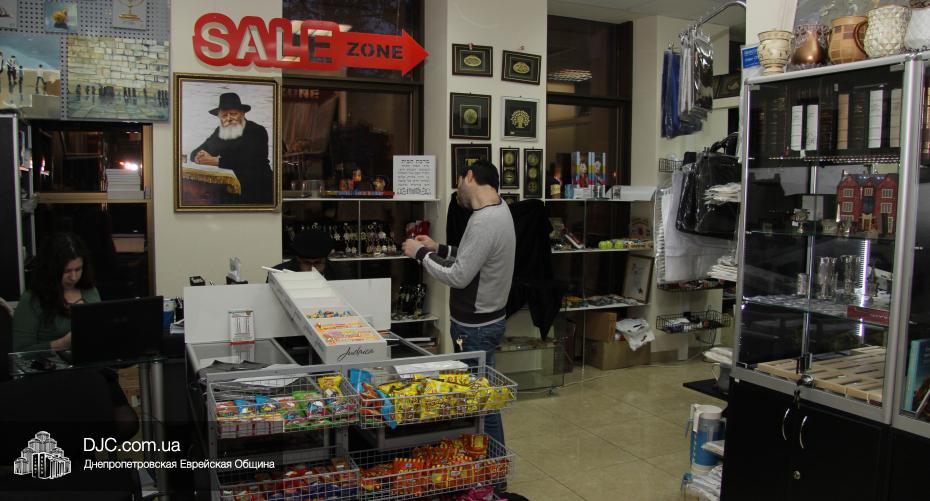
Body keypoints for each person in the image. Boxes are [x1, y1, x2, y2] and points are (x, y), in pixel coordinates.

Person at [402, 159, 515, 450]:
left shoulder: (484, 221)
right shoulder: (499, 209)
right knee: (481, 398)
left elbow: (459, 276)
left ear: (470, 177)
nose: (457, 190)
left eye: (459, 182)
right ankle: (487, 463)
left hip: (476, 328)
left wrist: (419, 255)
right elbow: (474, 256)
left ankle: (495, 469)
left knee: (482, 403)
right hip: (487, 321)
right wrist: (438, 248)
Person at [11, 232, 139, 439]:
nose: (73, 277)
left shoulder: (89, 292)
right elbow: (19, 353)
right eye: (67, 271)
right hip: (51, 378)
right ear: (52, 270)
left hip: (92, 372)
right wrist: (61, 343)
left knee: (126, 422)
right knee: (76, 423)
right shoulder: (32, 300)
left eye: (78, 269)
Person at [190, 92, 273, 205]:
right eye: (224, 115)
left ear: (242, 114)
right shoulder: (220, 132)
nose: (228, 118)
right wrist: (198, 157)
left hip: (258, 188)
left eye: (233, 114)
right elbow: (198, 151)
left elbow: (250, 160)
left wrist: (216, 161)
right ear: (219, 117)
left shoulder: (257, 130)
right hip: (230, 188)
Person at [273, 227, 349, 280]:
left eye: (317, 263)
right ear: (298, 260)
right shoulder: (278, 274)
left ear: (325, 260)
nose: (312, 269)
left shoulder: (341, 274)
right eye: (307, 263)